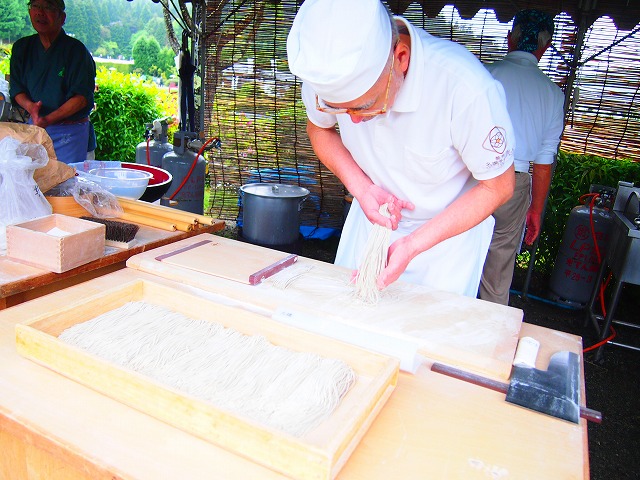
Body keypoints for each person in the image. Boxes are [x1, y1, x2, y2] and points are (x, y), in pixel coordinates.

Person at [287, 0, 515, 297]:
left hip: (445, 246)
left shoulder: (465, 89)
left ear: (401, 59)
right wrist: (362, 189)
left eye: (365, 106)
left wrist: (413, 244)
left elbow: (499, 186)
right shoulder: (325, 72)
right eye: (340, 109)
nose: (353, 121)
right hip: (370, 224)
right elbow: (319, 128)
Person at [479, 10, 565, 305]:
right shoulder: (552, 94)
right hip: (514, 184)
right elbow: (543, 162)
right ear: (545, 47)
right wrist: (535, 210)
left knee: (454, 251)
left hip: (472, 174)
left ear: (509, 39)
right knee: (499, 266)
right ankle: (491, 325)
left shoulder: (484, 75)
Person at [9, 0, 96, 164]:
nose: (40, 12)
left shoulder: (77, 51)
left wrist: (48, 120)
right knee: (32, 177)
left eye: (48, 7)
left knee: (69, 179)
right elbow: (16, 88)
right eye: (35, 6)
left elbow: (81, 98)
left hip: (70, 133)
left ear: (62, 17)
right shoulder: (22, 48)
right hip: (36, 127)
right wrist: (31, 108)